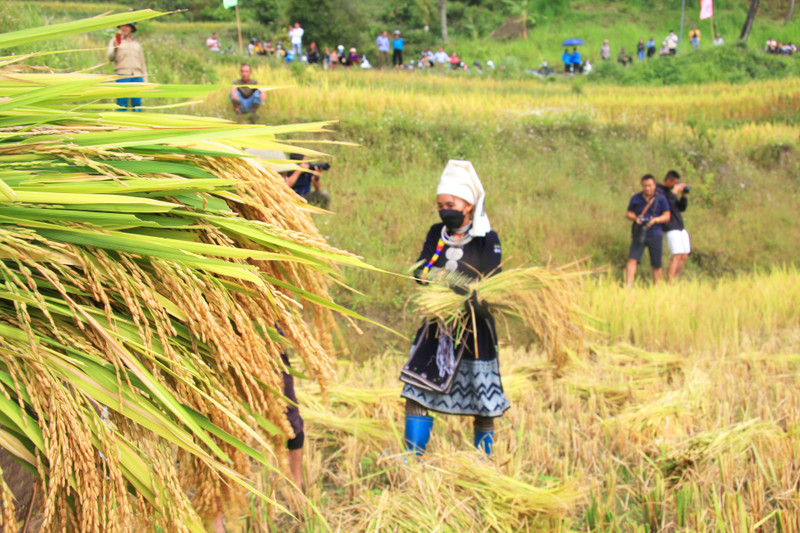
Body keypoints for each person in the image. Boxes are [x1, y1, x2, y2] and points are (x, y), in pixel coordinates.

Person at [400, 160, 508, 457]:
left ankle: (482, 463)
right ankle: (412, 459)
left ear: (469, 205)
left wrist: (456, 284)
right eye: (439, 204)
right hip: (437, 328)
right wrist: (434, 277)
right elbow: (420, 269)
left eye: (450, 203)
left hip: (474, 330)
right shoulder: (437, 232)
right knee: (416, 390)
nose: (443, 209)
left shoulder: (488, 238)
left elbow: (490, 283)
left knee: (482, 402)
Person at [625, 174, 671, 288]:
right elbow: (628, 213)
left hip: (655, 233)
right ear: (642, 186)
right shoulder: (635, 198)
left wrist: (656, 220)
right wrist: (636, 218)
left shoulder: (661, 198)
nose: (647, 188)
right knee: (632, 260)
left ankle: (657, 288)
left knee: (656, 263)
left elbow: (667, 215)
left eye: (650, 186)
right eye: (645, 186)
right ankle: (628, 286)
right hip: (639, 232)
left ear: (654, 185)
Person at [658, 170, 691, 283]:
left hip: (680, 226)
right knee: (676, 255)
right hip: (670, 226)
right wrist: (674, 193)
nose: (675, 186)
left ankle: (675, 279)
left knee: (685, 254)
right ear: (669, 180)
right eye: (675, 183)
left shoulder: (671, 193)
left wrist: (683, 195)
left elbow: (681, 208)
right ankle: (669, 282)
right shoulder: (659, 191)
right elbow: (666, 206)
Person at [107, 22, 147, 112]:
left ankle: (136, 124)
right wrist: (115, 48)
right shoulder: (115, 41)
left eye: (127, 26)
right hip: (122, 75)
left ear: (131, 28)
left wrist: (145, 80)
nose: (124, 28)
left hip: (137, 76)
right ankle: (121, 124)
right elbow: (110, 58)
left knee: (137, 104)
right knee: (122, 103)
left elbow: (142, 63)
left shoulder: (136, 44)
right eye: (122, 26)